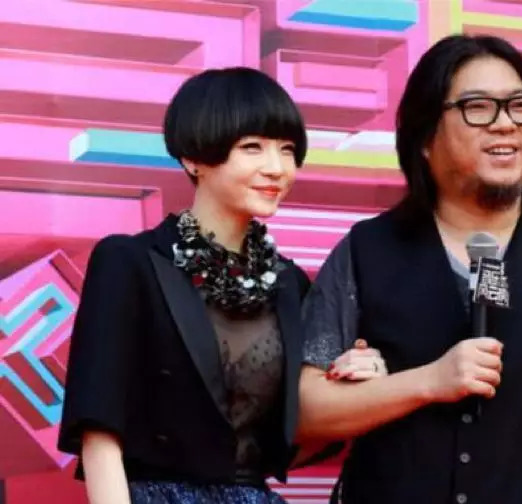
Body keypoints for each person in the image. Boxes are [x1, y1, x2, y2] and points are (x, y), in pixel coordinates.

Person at [297, 35, 522, 504]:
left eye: (520, 106)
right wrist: (427, 382)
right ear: (425, 138)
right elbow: (307, 412)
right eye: (478, 108)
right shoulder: (365, 251)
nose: (505, 124)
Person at [57, 67, 385, 504]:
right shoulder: (130, 262)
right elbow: (99, 433)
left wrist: (358, 378)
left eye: (287, 150)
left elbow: (293, 437)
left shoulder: (289, 284)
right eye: (252, 147)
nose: (277, 168)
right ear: (193, 157)